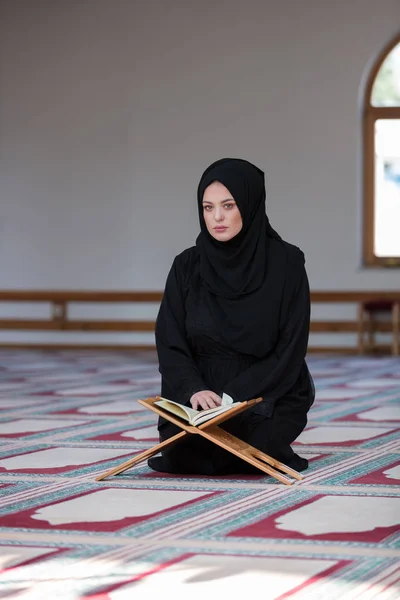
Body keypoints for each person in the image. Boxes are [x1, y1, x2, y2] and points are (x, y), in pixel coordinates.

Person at [148, 158, 315, 476]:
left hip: (266, 391)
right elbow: (169, 340)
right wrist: (194, 389)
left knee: (255, 450)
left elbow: (290, 348)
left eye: (228, 205)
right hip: (200, 396)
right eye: (208, 207)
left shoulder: (286, 263)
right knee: (186, 451)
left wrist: (235, 397)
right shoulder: (186, 266)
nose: (217, 217)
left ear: (250, 205)